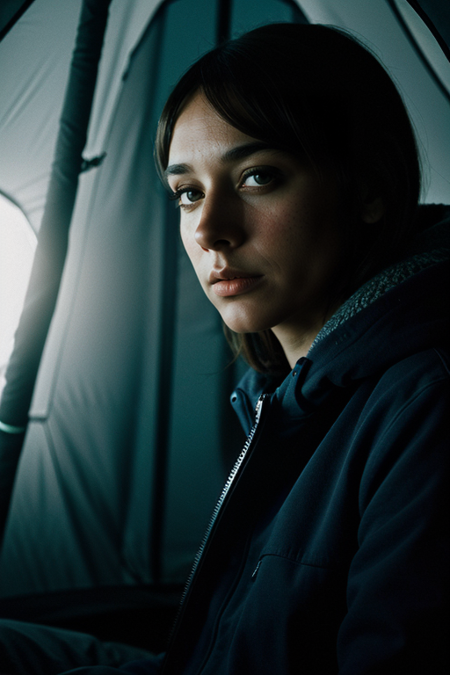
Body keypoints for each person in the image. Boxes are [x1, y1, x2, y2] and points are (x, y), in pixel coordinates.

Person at [0, 21, 448, 675]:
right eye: (188, 192)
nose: (210, 228)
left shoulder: (425, 405)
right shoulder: (285, 394)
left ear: (369, 190)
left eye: (258, 176)